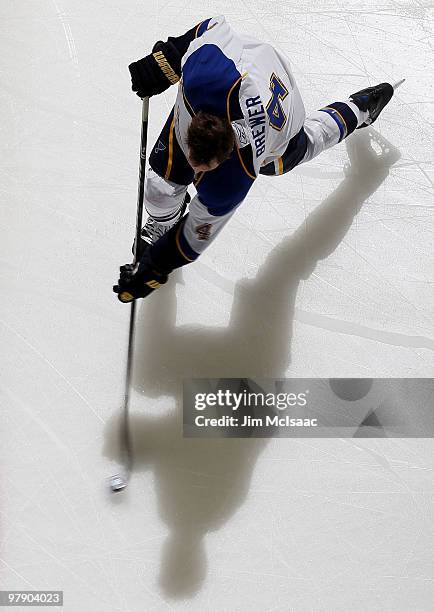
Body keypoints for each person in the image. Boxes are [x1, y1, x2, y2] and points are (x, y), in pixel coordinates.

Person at [113, 15, 396, 302]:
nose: (194, 170)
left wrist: (154, 269)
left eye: (202, 168)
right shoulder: (203, 71)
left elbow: (192, 239)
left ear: (221, 160)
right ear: (196, 122)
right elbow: (211, 26)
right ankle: (163, 221)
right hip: (250, 60)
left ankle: (360, 109)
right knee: (159, 188)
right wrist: (165, 61)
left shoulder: (238, 172)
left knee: (307, 143)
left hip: (281, 112)